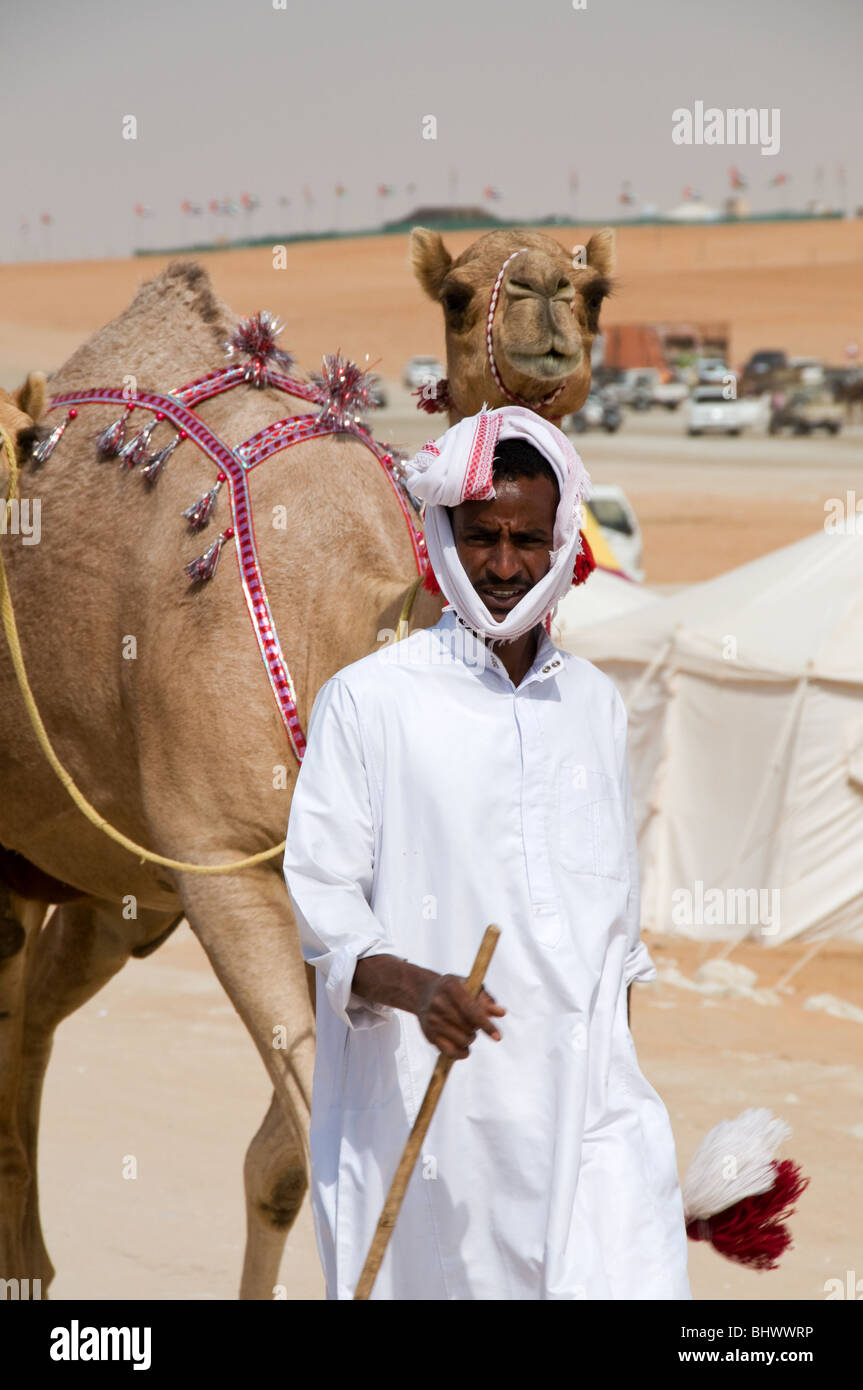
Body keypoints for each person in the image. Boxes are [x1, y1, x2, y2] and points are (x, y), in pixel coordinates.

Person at [282, 404, 692, 1300]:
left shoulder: (594, 706)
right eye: (480, 538)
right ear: (441, 536)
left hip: (589, 1117)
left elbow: (610, 934)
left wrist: (618, 1087)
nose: (504, 566)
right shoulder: (370, 702)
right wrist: (418, 989)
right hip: (436, 1111)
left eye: (528, 540)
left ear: (560, 542)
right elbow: (322, 898)